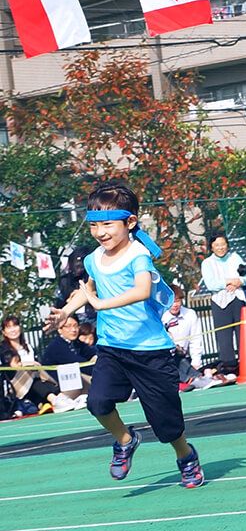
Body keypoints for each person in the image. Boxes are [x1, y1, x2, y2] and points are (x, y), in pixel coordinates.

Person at [45, 180, 205, 488]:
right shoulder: (93, 259)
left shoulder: (138, 255)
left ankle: (185, 455)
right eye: (94, 225)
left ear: (129, 222)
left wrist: (101, 303)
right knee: (98, 402)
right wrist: (66, 310)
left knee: (166, 424)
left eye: (107, 224)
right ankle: (125, 439)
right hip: (112, 349)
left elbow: (142, 290)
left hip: (150, 352)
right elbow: (86, 291)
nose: (101, 232)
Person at [200, 233, 245, 381]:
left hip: (238, 299)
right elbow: (211, 284)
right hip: (219, 302)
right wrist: (228, 281)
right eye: (217, 245)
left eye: (223, 244)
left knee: (242, 334)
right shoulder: (207, 263)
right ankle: (229, 368)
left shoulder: (236, 258)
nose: (220, 247)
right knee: (224, 336)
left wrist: (238, 282)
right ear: (211, 247)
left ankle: (245, 364)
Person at [1, 316, 60, 415]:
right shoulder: (3, 348)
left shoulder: (28, 347)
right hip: (15, 386)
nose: (13, 330)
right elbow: (15, 366)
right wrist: (32, 364)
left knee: (37, 376)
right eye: (9, 327)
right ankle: (54, 399)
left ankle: (56, 398)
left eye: (15, 325)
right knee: (31, 370)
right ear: (4, 332)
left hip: (33, 382)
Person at [162, 287, 216, 392]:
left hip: (183, 357)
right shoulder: (161, 317)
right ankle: (190, 380)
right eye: (172, 301)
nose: (175, 305)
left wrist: (196, 362)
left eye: (177, 301)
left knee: (182, 361)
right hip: (167, 358)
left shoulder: (190, 314)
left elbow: (196, 339)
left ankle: (197, 378)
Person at [41, 314, 94, 409]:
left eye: (75, 325)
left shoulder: (77, 343)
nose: (73, 330)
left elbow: (93, 354)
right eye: (68, 326)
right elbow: (80, 364)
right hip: (58, 385)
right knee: (78, 372)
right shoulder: (57, 346)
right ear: (59, 329)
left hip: (72, 383)